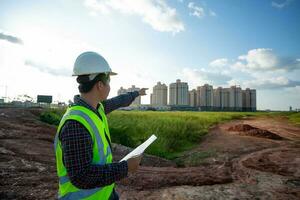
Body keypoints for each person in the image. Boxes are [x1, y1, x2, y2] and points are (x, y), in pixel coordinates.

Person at [54, 51, 148, 199]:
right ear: (99, 85)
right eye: (109, 82)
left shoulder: (97, 108)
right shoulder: (75, 124)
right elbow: (81, 176)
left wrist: (136, 93)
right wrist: (126, 167)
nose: (110, 87)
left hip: (105, 192)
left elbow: (119, 100)